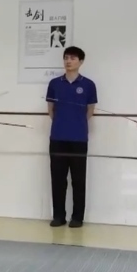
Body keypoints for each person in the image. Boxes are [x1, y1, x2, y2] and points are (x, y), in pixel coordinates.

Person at [45, 46, 97, 228]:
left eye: (73, 58)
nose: (68, 61)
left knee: (78, 180)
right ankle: (58, 216)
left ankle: (77, 217)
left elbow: (90, 111)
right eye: (66, 58)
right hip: (57, 138)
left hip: (79, 139)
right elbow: (51, 110)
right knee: (58, 179)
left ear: (81, 62)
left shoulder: (88, 85)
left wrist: (76, 124)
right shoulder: (54, 84)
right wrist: (63, 123)